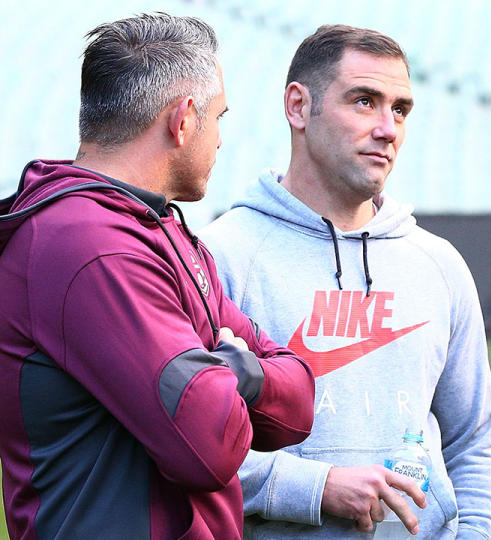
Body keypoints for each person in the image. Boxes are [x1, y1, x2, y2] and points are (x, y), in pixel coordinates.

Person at [0, 13, 315, 539]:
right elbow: (209, 447)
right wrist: (242, 367)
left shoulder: (158, 230)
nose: (219, 140)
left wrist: (234, 373)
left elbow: (298, 402)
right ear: (184, 119)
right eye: (219, 117)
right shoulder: (90, 248)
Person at [201, 24, 491, 539]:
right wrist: (316, 487)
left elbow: (473, 438)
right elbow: (188, 445)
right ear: (298, 107)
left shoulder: (438, 263)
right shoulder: (218, 256)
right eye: (364, 101)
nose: (388, 128)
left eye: (400, 109)